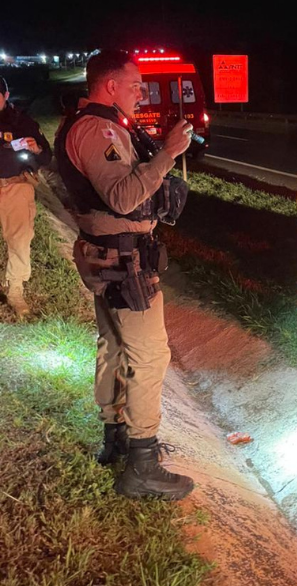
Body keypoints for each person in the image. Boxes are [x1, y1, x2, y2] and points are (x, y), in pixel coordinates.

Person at [54, 50, 196, 500]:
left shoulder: (105, 124)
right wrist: (168, 155)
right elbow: (121, 196)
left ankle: (115, 440)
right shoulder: (97, 129)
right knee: (150, 355)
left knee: (114, 345)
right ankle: (142, 461)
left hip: (115, 257)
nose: (142, 91)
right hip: (123, 263)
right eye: (135, 83)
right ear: (110, 84)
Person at [0, 75, 52, 318]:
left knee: (19, 240)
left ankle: (15, 290)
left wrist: (37, 148)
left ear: (6, 96)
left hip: (15, 187)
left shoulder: (23, 123)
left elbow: (46, 157)